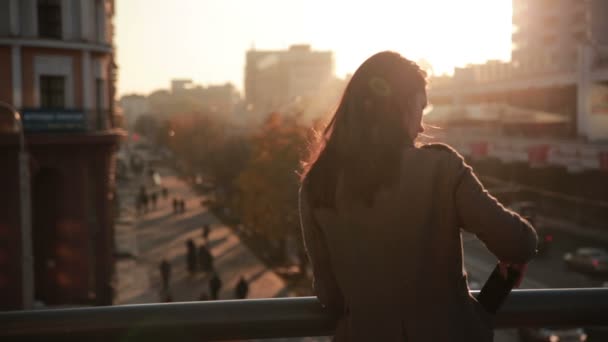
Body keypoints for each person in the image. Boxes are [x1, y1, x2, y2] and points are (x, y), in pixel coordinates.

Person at [298, 51, 538, 342]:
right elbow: (518, 243)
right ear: (399, 107)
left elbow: (331, 298)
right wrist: (488, 300)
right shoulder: (441, 169)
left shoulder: (317, 185)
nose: (422, 126)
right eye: (420, 109)